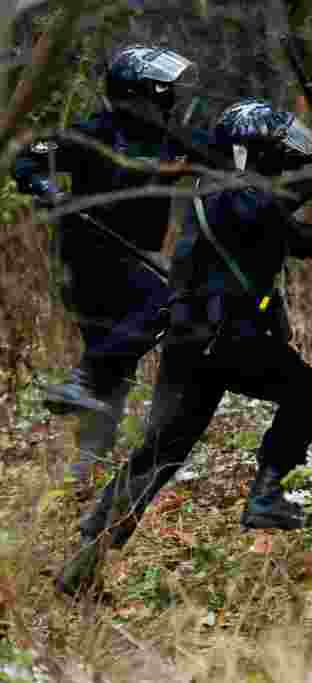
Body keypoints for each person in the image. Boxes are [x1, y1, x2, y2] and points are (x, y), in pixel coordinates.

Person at [56, 99, 312, 596]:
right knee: (308, 392)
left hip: (193, 342)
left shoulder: (228, 189)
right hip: (227, 338)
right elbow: (267, 209)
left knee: (160, 453)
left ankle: (83, 565)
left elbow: (290, 235)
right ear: (252, 151)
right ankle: (265, 496)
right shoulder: (229, 188)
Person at [12, 45, 212, 484]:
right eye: (164, 89)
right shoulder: (91, 133)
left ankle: (86, 467)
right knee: (163, 306)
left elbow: (229, 163)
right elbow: (27, 156)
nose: (171, 97)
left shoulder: (170, 138)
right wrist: (45, 187)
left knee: (114, 369)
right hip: (88, 257)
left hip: (137, 255)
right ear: (139, 90)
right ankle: (84, 385)